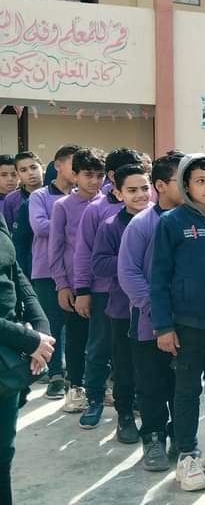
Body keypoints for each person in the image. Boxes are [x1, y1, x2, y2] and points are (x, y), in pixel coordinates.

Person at [150, 153, 205, 491]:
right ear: (185, 184)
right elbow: (158, 278)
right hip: (187, 324)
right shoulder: (171, 223)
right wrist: (163, 326)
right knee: (187, 389)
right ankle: (187, 454)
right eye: (200, 180)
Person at [118, 151, 184, 471]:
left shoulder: (195, 222)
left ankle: (182, 437)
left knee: (183, 386)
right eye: (182, 179)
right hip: (148, 324)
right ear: (160, 185)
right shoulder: (143, 224)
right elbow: (128, 273)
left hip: (188, 323)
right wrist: (158, 314)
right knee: (151, 384)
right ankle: (154, 437)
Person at [75, 147, 142, 430]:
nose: (139, 192)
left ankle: (134, 400)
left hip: (140, 296)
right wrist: (81, 289)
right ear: (114, 179)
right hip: (106, 292)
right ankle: (94, 399)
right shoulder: (98, 211)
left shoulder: (151, 212)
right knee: (100, 348)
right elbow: (85, 254)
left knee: (133, 354)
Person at [88, 163, 151, 444]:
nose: (140, 195)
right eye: (132, 190)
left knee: (152, 368)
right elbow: (99, 264)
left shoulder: (161, 220)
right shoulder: (111, 226)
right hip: (122, 309)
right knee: (124, 367)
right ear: (117, 193)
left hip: (156, 309)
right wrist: (132, 261)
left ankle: (152, 418)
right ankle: (124, 415)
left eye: (145, 188)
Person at [0, 215, 54, 505]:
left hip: (8, 356)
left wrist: (41, 327)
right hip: (13, 341)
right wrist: (29, 340)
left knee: (2, 454)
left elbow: (16, 273)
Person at [50, 147, 107, 415]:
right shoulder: (62, 206)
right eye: (88, 175)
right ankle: (75, 386)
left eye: (99, 175)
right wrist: (62, 284)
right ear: (75, 175)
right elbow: (56, 249)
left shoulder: (110, 204)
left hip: (105, 285)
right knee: (76, 337)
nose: (94, 181)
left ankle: (102, 385)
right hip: (75, 284)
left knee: (103, 340)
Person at [28, 144, 79, 400]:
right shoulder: (40, 196)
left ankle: (75, 375)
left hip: (77, 270)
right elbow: (39, 226)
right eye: (73, 164)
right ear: (58, 165)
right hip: (46, 270)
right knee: (52, 324)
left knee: (77, 326)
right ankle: (55, 375)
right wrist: (72, 225)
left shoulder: (82, 196)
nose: (78, 170)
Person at [6, 152, 43, 277]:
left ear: (42, 168)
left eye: (33, 167)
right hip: (24, 258)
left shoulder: (53, 195)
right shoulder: (11, 200)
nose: (30, 173)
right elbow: (10, 232)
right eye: (23, 170)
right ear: (18, 174)